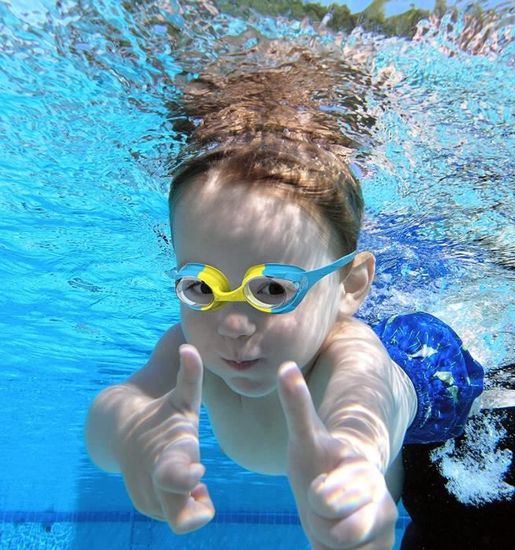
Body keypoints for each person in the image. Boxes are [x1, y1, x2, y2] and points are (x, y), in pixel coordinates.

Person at [85, 43, 485, 549]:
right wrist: (128, 433)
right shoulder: (193, 353)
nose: (232, 323)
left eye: (272, 288)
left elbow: (365, 402)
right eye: (202, 287)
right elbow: (113, 411)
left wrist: (356, 462)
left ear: (351, 285)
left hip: (428, 374)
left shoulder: (350, 353)